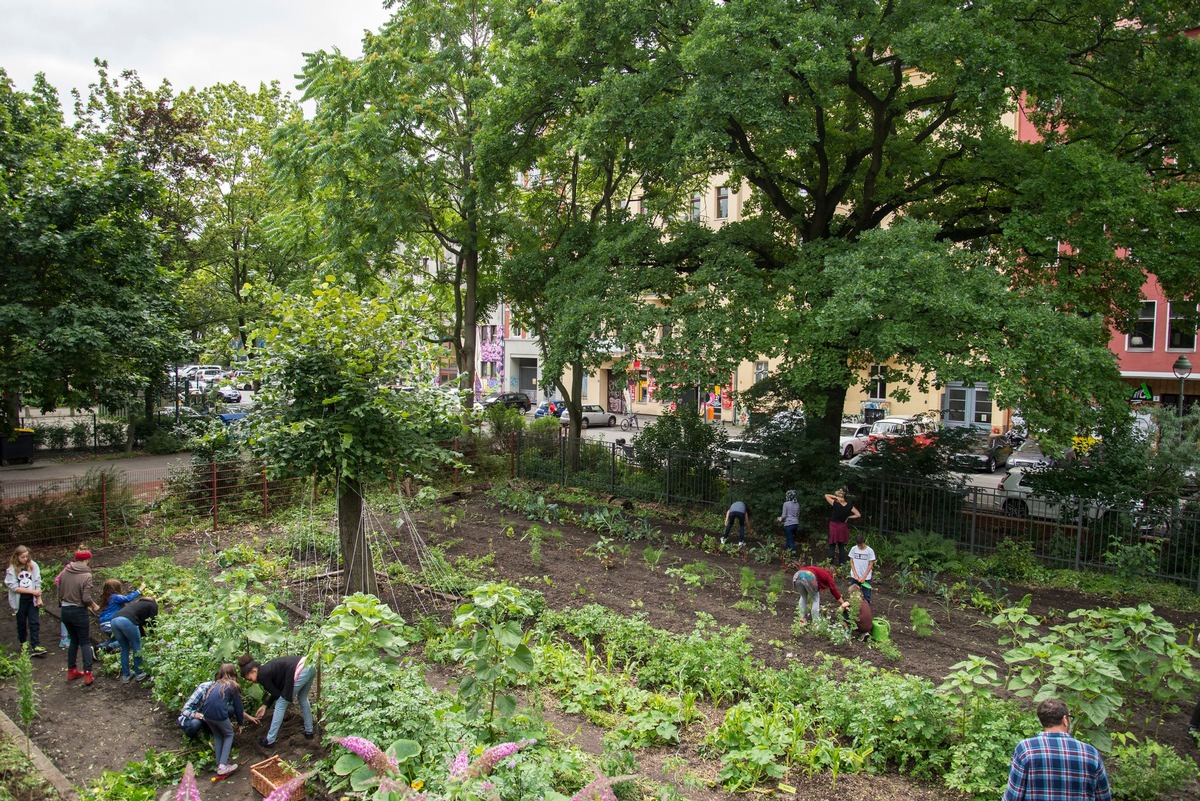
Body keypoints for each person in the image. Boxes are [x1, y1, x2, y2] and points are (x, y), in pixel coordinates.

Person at [1003, 697, 1111, 801]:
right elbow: (1104, 797)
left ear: (1042, 721)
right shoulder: (1090, 753)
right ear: (1065, 719)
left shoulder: (1025, 750)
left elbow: (1013, 796)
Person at [240, 654, 316, 746]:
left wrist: (266, 705)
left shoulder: (261, 676)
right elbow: (277, 692)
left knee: (280, 704)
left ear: (254, 671)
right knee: (302, 697)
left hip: (300, 670)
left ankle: (270, 740)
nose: (251, 681)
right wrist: (265, 706)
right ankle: (309, 732)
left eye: (250, 678)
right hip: (309, 665)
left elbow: (277, 695)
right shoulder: (266, 669)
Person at [203, 662, 257, 776]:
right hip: (218, 714)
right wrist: (240, 724)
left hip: (206, 714)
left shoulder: (216, 684)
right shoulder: (233, 685)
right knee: (229, 735)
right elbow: (238, 707)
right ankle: (223, 766)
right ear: (234, 673)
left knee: (218, 736)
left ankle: (219, 764)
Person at [58, 548, 100, 685]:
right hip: (78, 611)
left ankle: (72, 670)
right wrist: (93, 605)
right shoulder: (86, 575)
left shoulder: (65, 572)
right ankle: (88, 674)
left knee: (73, 640)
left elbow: (60, 590)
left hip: (65, 610)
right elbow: (86, 597)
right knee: (85, 642)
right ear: (87, 560)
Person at [179, 664, 242, 741]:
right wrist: (201, 716)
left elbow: (236, 707)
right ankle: (192, 737)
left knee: (230, 709)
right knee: (195, 724)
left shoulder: (225, 689)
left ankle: (210, 730)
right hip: (195, 716)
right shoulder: (204, 688)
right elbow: (184, 710)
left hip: (209, 716)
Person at [5, 546, 45, 657]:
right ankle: (23, 643)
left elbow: (37, 581)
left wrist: (38, 598)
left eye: (27, 556)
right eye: (22, 557)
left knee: (34, 622)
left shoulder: (33, 565)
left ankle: (35, 644)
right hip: (20, 601)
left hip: (32, 600)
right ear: (17, 557)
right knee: (21, 623)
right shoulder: (12, 569)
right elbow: (13, 586)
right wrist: (32, 592)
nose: (25, 559)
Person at [110, 596, 158, 683]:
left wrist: (143, 635)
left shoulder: (136, 605)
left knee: (124, 648)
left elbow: (139, 623)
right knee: (137, 645)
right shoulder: (153, 605)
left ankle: (126, 675)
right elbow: (153, 622)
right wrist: (154, 637)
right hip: (127, 621)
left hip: (114, 620)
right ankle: (139, 673)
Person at [96, 579, 142, 652]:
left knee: (115, 639)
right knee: (127, 638)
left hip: (103, 624)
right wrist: (139, 590)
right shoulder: (115, 597)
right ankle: (110, 647)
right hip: (110, 623)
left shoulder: (105, 598)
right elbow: (128, 598)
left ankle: (99, 647)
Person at [823, 488, 860, 566]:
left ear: (837, 497)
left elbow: (826, 495)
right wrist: (848, 517)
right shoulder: (849, 506)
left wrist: (836, 498)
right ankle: (842, 563)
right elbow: (858, 514)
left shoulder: (835, 504)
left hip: (834, 526)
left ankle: (830, 563)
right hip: (842, 527)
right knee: (841, 546)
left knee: (832, 545)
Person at [847, 532, 877, 603]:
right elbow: (851, 561)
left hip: (866, 577)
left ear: (865, 542)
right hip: (855, 576)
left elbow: (870, 564)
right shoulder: (853, 549)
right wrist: (855, 574)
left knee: (867, 595)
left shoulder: (870, 551)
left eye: (861, 545)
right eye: (858, 545)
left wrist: (864, 577)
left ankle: (867, 609)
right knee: (853, 593)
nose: (859, 546)